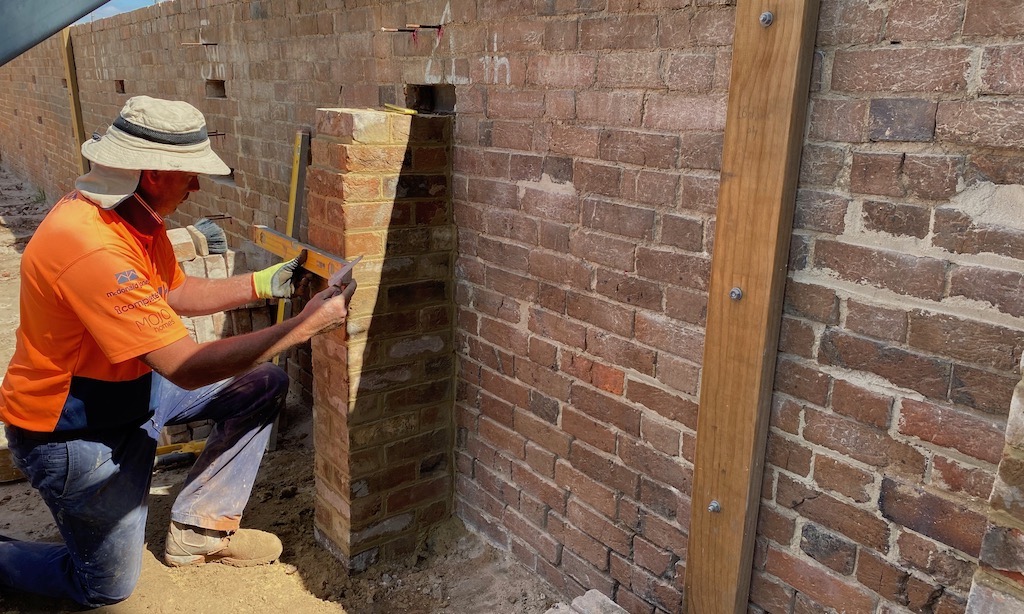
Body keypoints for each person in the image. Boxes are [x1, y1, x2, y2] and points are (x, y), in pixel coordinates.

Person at [0, 96, 355, 607]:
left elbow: (175, 292)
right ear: (149, 173)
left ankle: (200, 533)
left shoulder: (134, 218)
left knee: (262, 383)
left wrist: (265, 282)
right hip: (74, 432)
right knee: (105, 586)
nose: (196, 185)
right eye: (187, 173)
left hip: (131, 393)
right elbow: (185, 368)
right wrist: (304, 327)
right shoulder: (91, 246)